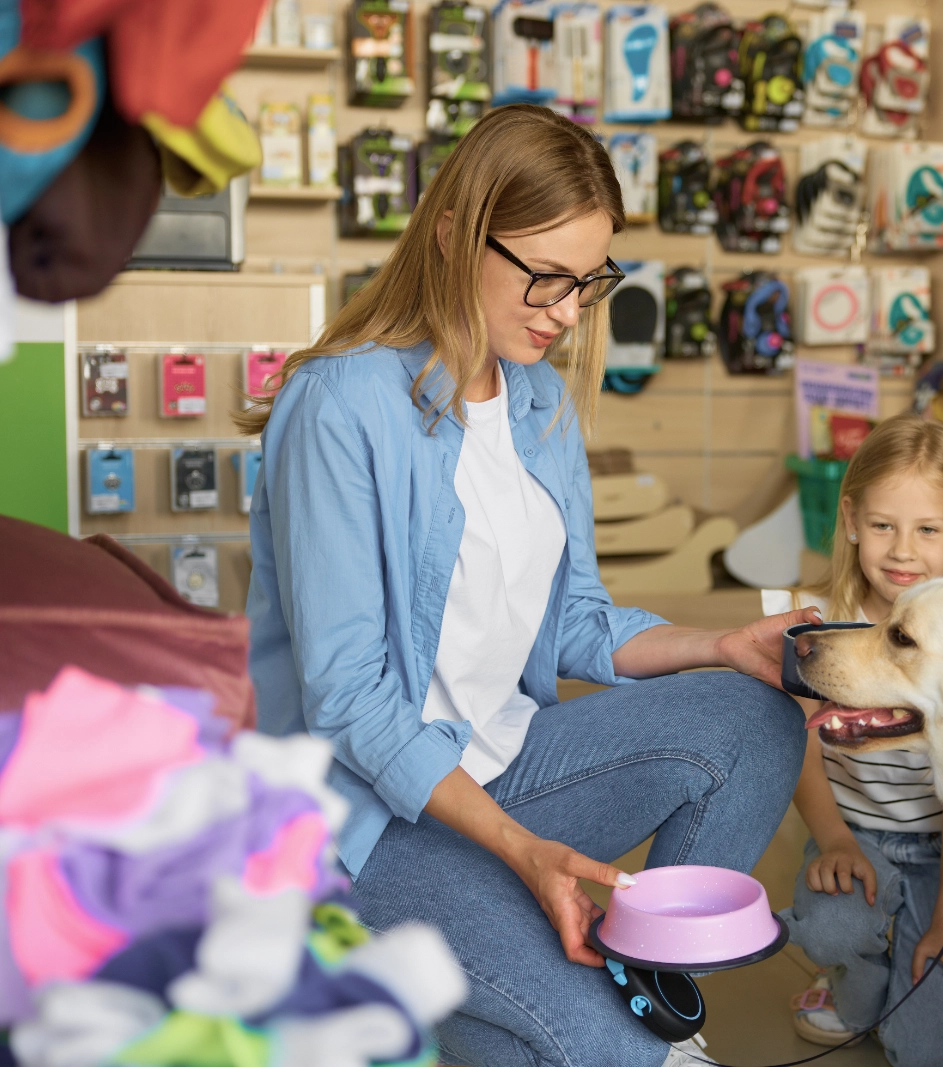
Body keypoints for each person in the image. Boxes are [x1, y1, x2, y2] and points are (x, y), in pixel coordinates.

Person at [243, 105, 816, 1067]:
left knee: (756, 718)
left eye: (588, 281)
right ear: (453, 234)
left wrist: (718, 646)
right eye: (544, 276)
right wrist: (522, 852)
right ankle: (583, 1017)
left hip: (504, 763)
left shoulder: (540, 398)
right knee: (597, 1045)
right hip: (364, 825)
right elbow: (348, 700)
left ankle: (635, 981)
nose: (566, 310)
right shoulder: (339, 404)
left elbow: (576, 621)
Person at [762, 414, 943, 1067]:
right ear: (850, 520)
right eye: (883, 525)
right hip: (857, 832)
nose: (902, 550)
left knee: (930, 1051)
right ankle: (855, 975)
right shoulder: (816, 625)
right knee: (836, 927)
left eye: (927, 529)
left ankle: (928, 966)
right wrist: (835, 838)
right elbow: (802, 744)